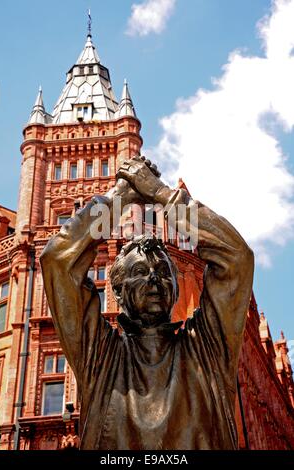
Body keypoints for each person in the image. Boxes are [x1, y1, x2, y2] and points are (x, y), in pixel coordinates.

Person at [40, 156, 254, 450]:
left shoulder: (207, 347)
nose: (154, 279)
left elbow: (237, 257)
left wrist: (161, 194)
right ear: (118, 289)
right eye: (140, 272)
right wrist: (119, 199)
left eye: (164, 272)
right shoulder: (100, 357)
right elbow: (57, 262)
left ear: (176, 288)